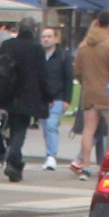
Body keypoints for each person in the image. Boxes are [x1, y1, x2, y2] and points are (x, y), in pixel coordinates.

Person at [0, 18, 48, 185]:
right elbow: (42, 75)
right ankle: (13, 154)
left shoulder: (8, 45)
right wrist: (46, 95)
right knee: (20, 128)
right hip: (28, 95)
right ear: (34, 30)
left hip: (8, 92)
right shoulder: (36, 48)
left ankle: (15, 166)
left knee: (12, 125)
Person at [72, 13, 109, 177]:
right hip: (106, 93)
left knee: (88, 129)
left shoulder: (84, 45)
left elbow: (77, 71)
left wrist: (86, 82)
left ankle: (85, 166)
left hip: (89, 92)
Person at [39, 25, 73, 170]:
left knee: (52, 125)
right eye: (44, 37)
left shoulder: (63, 56)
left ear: (55, 38)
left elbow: (68, 78)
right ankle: (49, 154)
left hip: (58, 97)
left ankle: (51, 156)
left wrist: (67, 99)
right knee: (46, 127)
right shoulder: (38, 56)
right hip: (41, 99)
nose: (46, 39)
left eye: (49, 36)